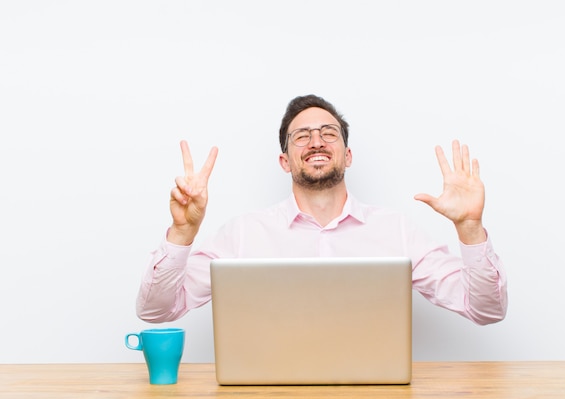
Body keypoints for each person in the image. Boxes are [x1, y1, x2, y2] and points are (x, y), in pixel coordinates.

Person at [136, 94, 507, 325]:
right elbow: (156, 311)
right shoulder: (243, 234)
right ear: (285, 160)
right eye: (302, 135)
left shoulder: (396, 231)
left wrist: (470, 229)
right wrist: (182, 234)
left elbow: (485, 311)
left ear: (347, 155)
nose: (316, 140)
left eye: (329, 133)